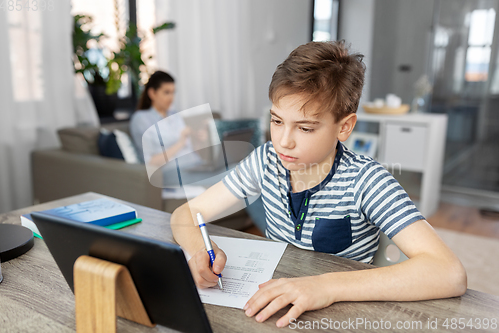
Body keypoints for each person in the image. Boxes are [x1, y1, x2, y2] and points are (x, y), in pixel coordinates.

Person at [170, 40, 467, 328]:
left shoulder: (366, 180)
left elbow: (449, 272)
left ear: (344, 127)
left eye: (305, 127)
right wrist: (199, 251)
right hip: (277, 308)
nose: (284, 141)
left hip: (341, 316)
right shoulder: (264, 161)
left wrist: (325, 287)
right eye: (276, 121)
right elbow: (185, 215)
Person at [130, 71, 199, 167]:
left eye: (173, 92)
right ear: (152, 93)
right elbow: (150, 162)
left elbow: (190, 148)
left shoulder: (175, 115)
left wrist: (200, 137)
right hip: (175, 173)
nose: (171, 98)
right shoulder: (141, 119)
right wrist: (180, 143)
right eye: (166, 92)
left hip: (196, 165)